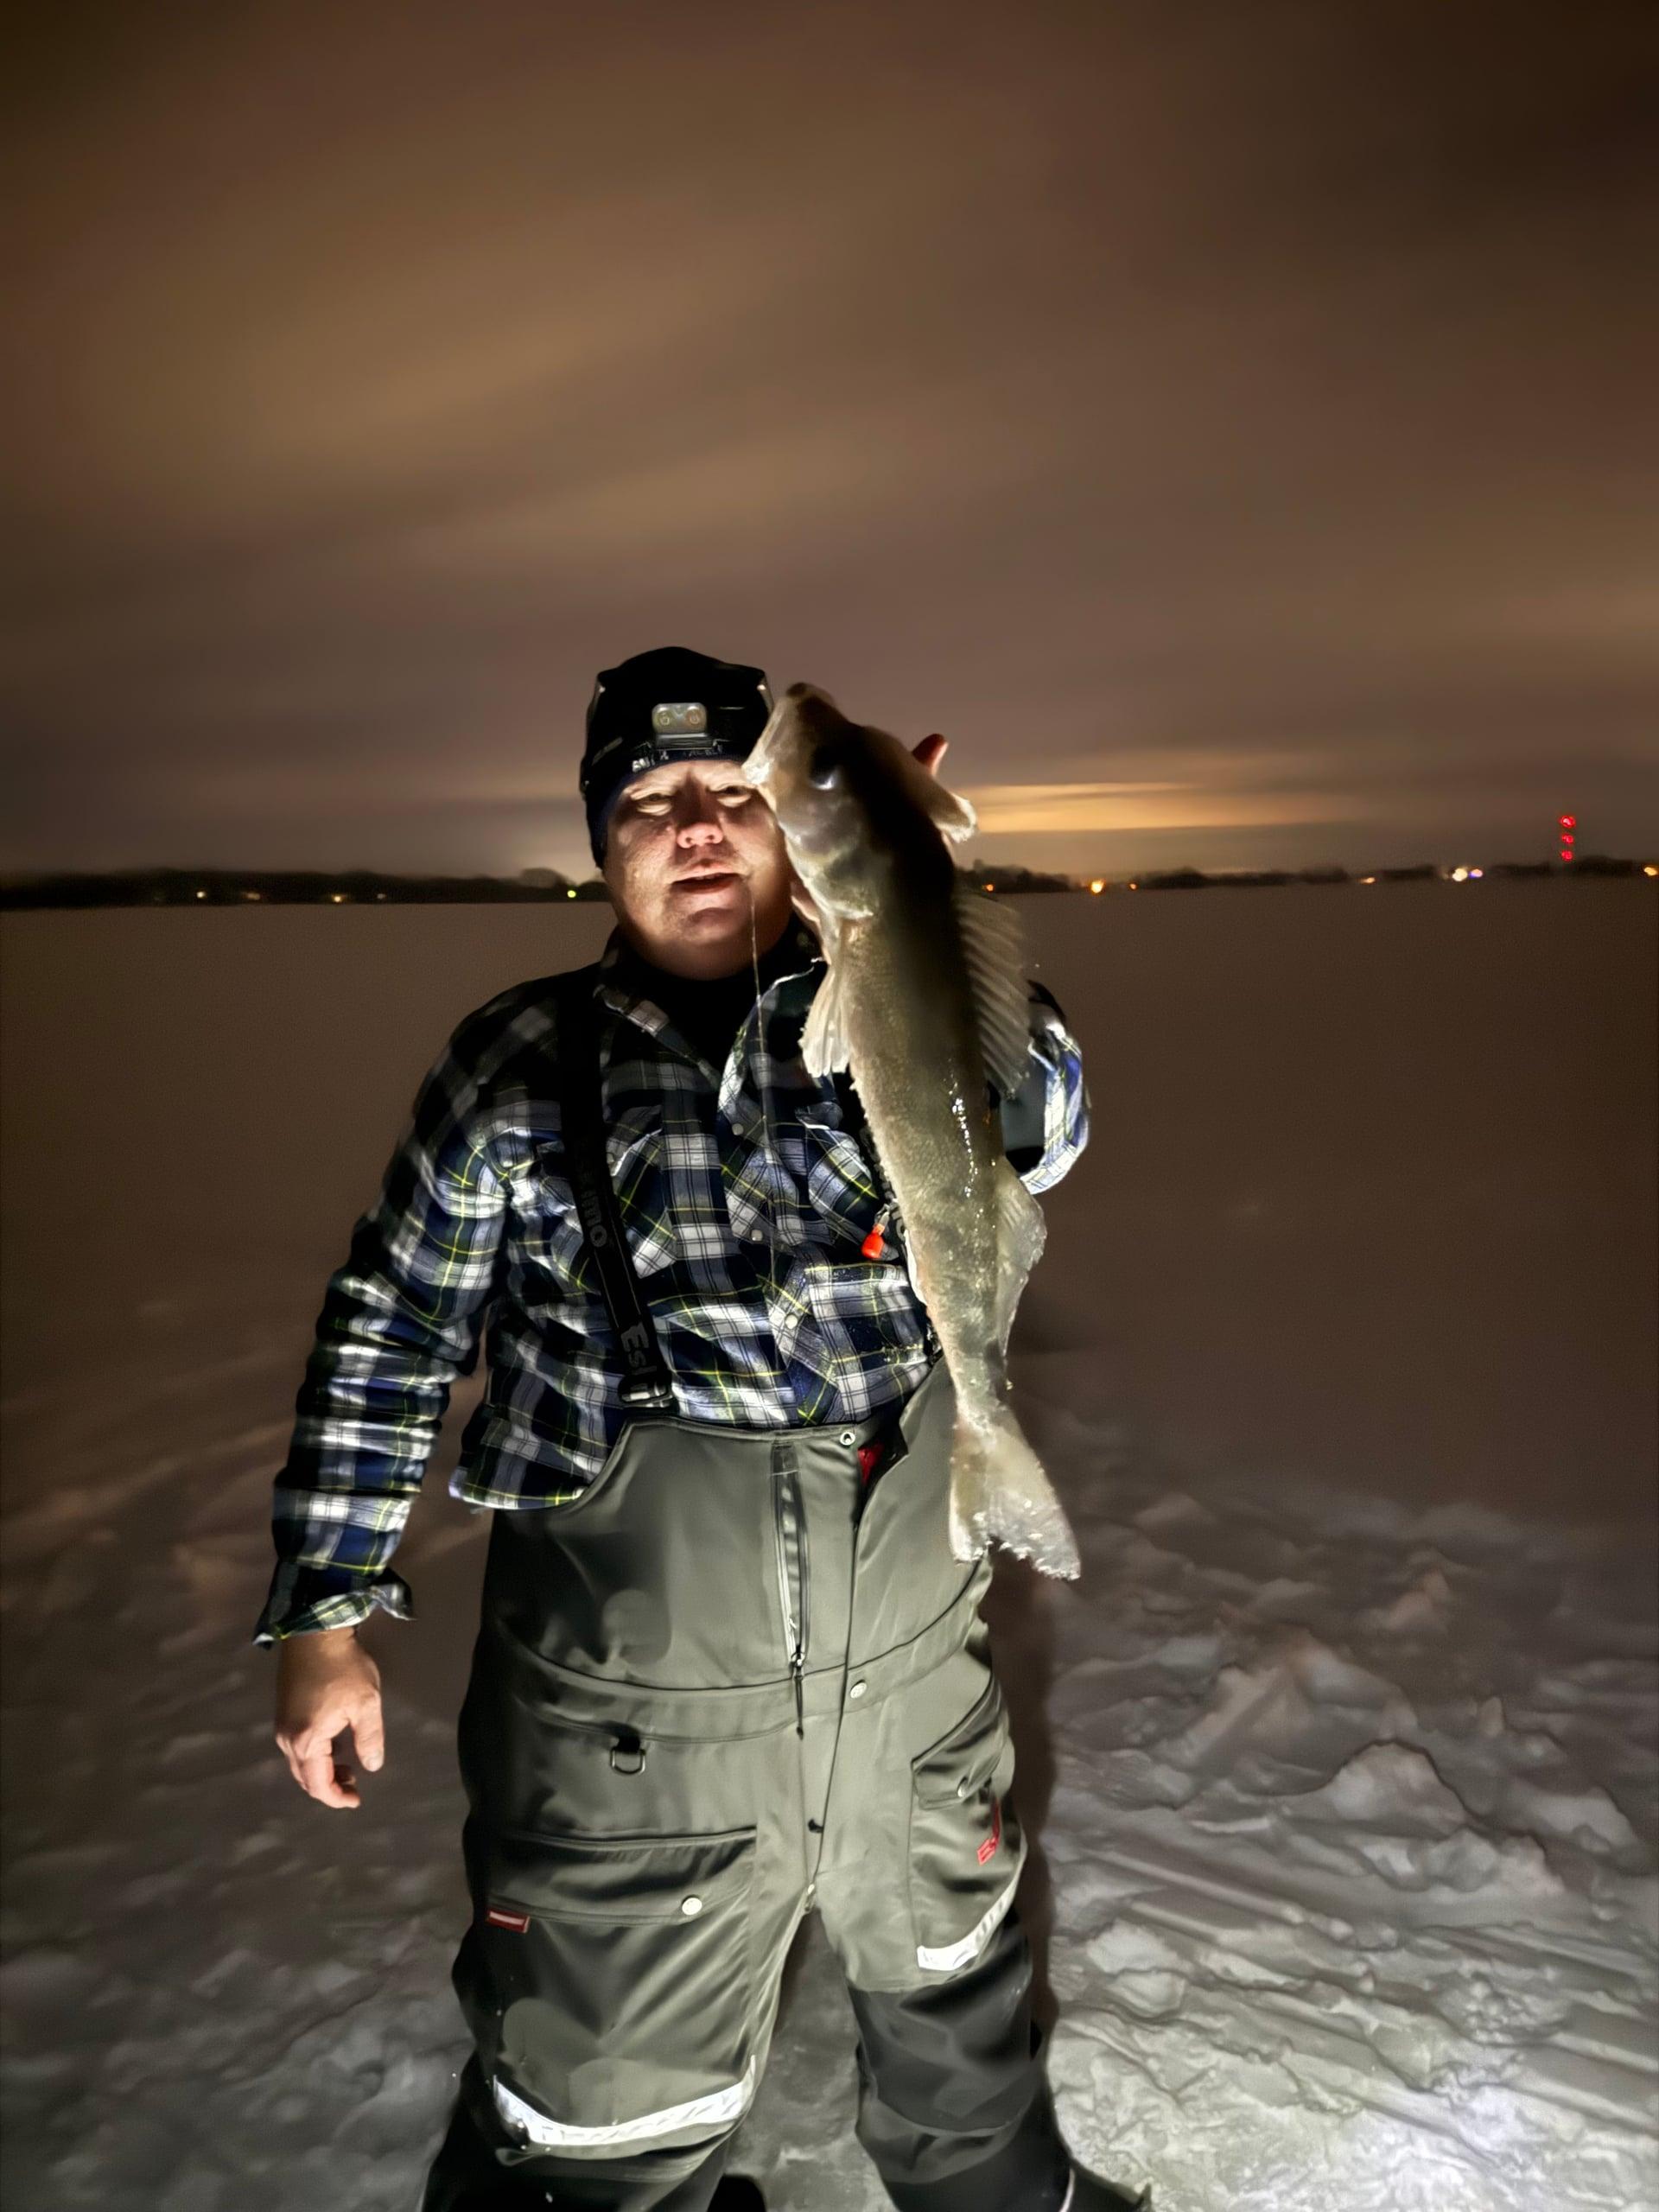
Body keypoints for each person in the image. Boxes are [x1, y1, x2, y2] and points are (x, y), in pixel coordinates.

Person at [257, 647, 1145, 2211]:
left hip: (907, 1691)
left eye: (735, 797)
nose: (695, 831)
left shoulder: (876, 1002)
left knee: (965, 2037)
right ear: (602, 845)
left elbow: (1046, 1126)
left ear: (796, 834)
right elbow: (389, 1330)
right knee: (594, 2109)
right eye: (651, 805)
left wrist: (921, 904)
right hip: (630, 1737)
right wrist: (328, 1604)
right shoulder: (517, 1069)